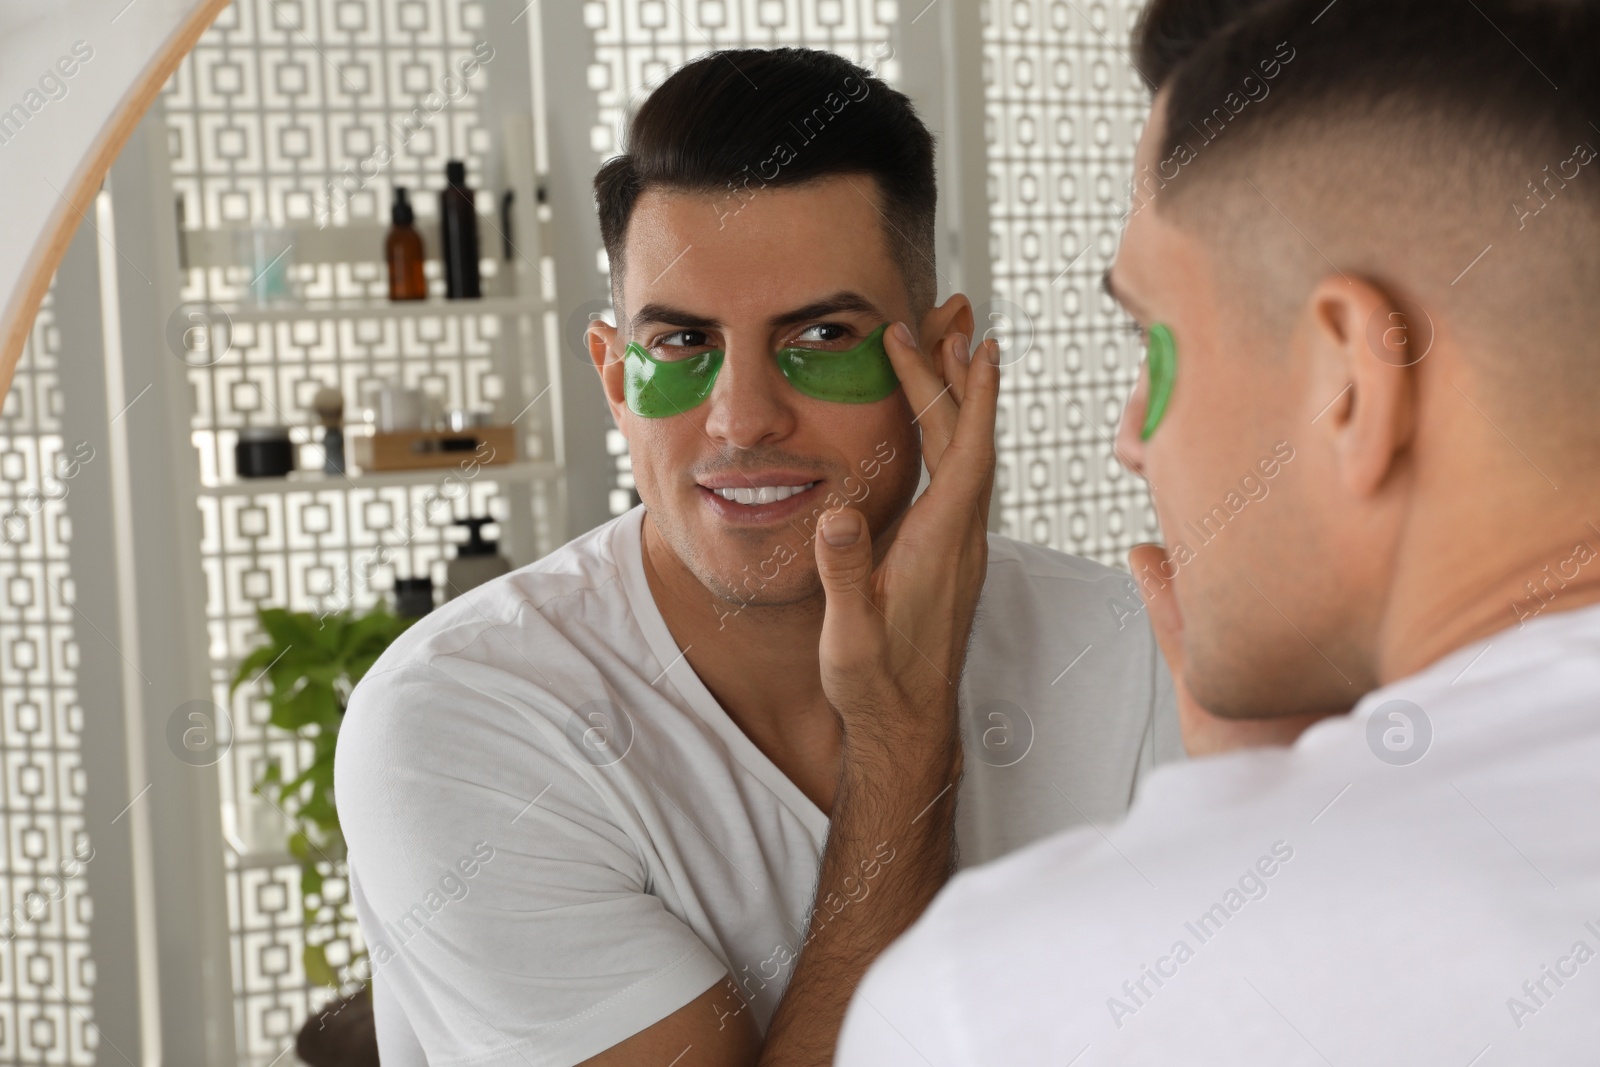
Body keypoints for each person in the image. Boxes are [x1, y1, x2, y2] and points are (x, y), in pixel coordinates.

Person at [335, 47, 1186, 1066]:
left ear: (944, 356)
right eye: (682, 346)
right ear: (614, 377)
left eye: (821, 333)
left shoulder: (1129, 652)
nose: (742, 417)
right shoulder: (463, 716)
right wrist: (903, 742)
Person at [834, 0, 1600, 1062]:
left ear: (1347, 385)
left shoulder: (1021, 999)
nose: (1128, 440)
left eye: (1154, 340)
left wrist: (1244, 844)